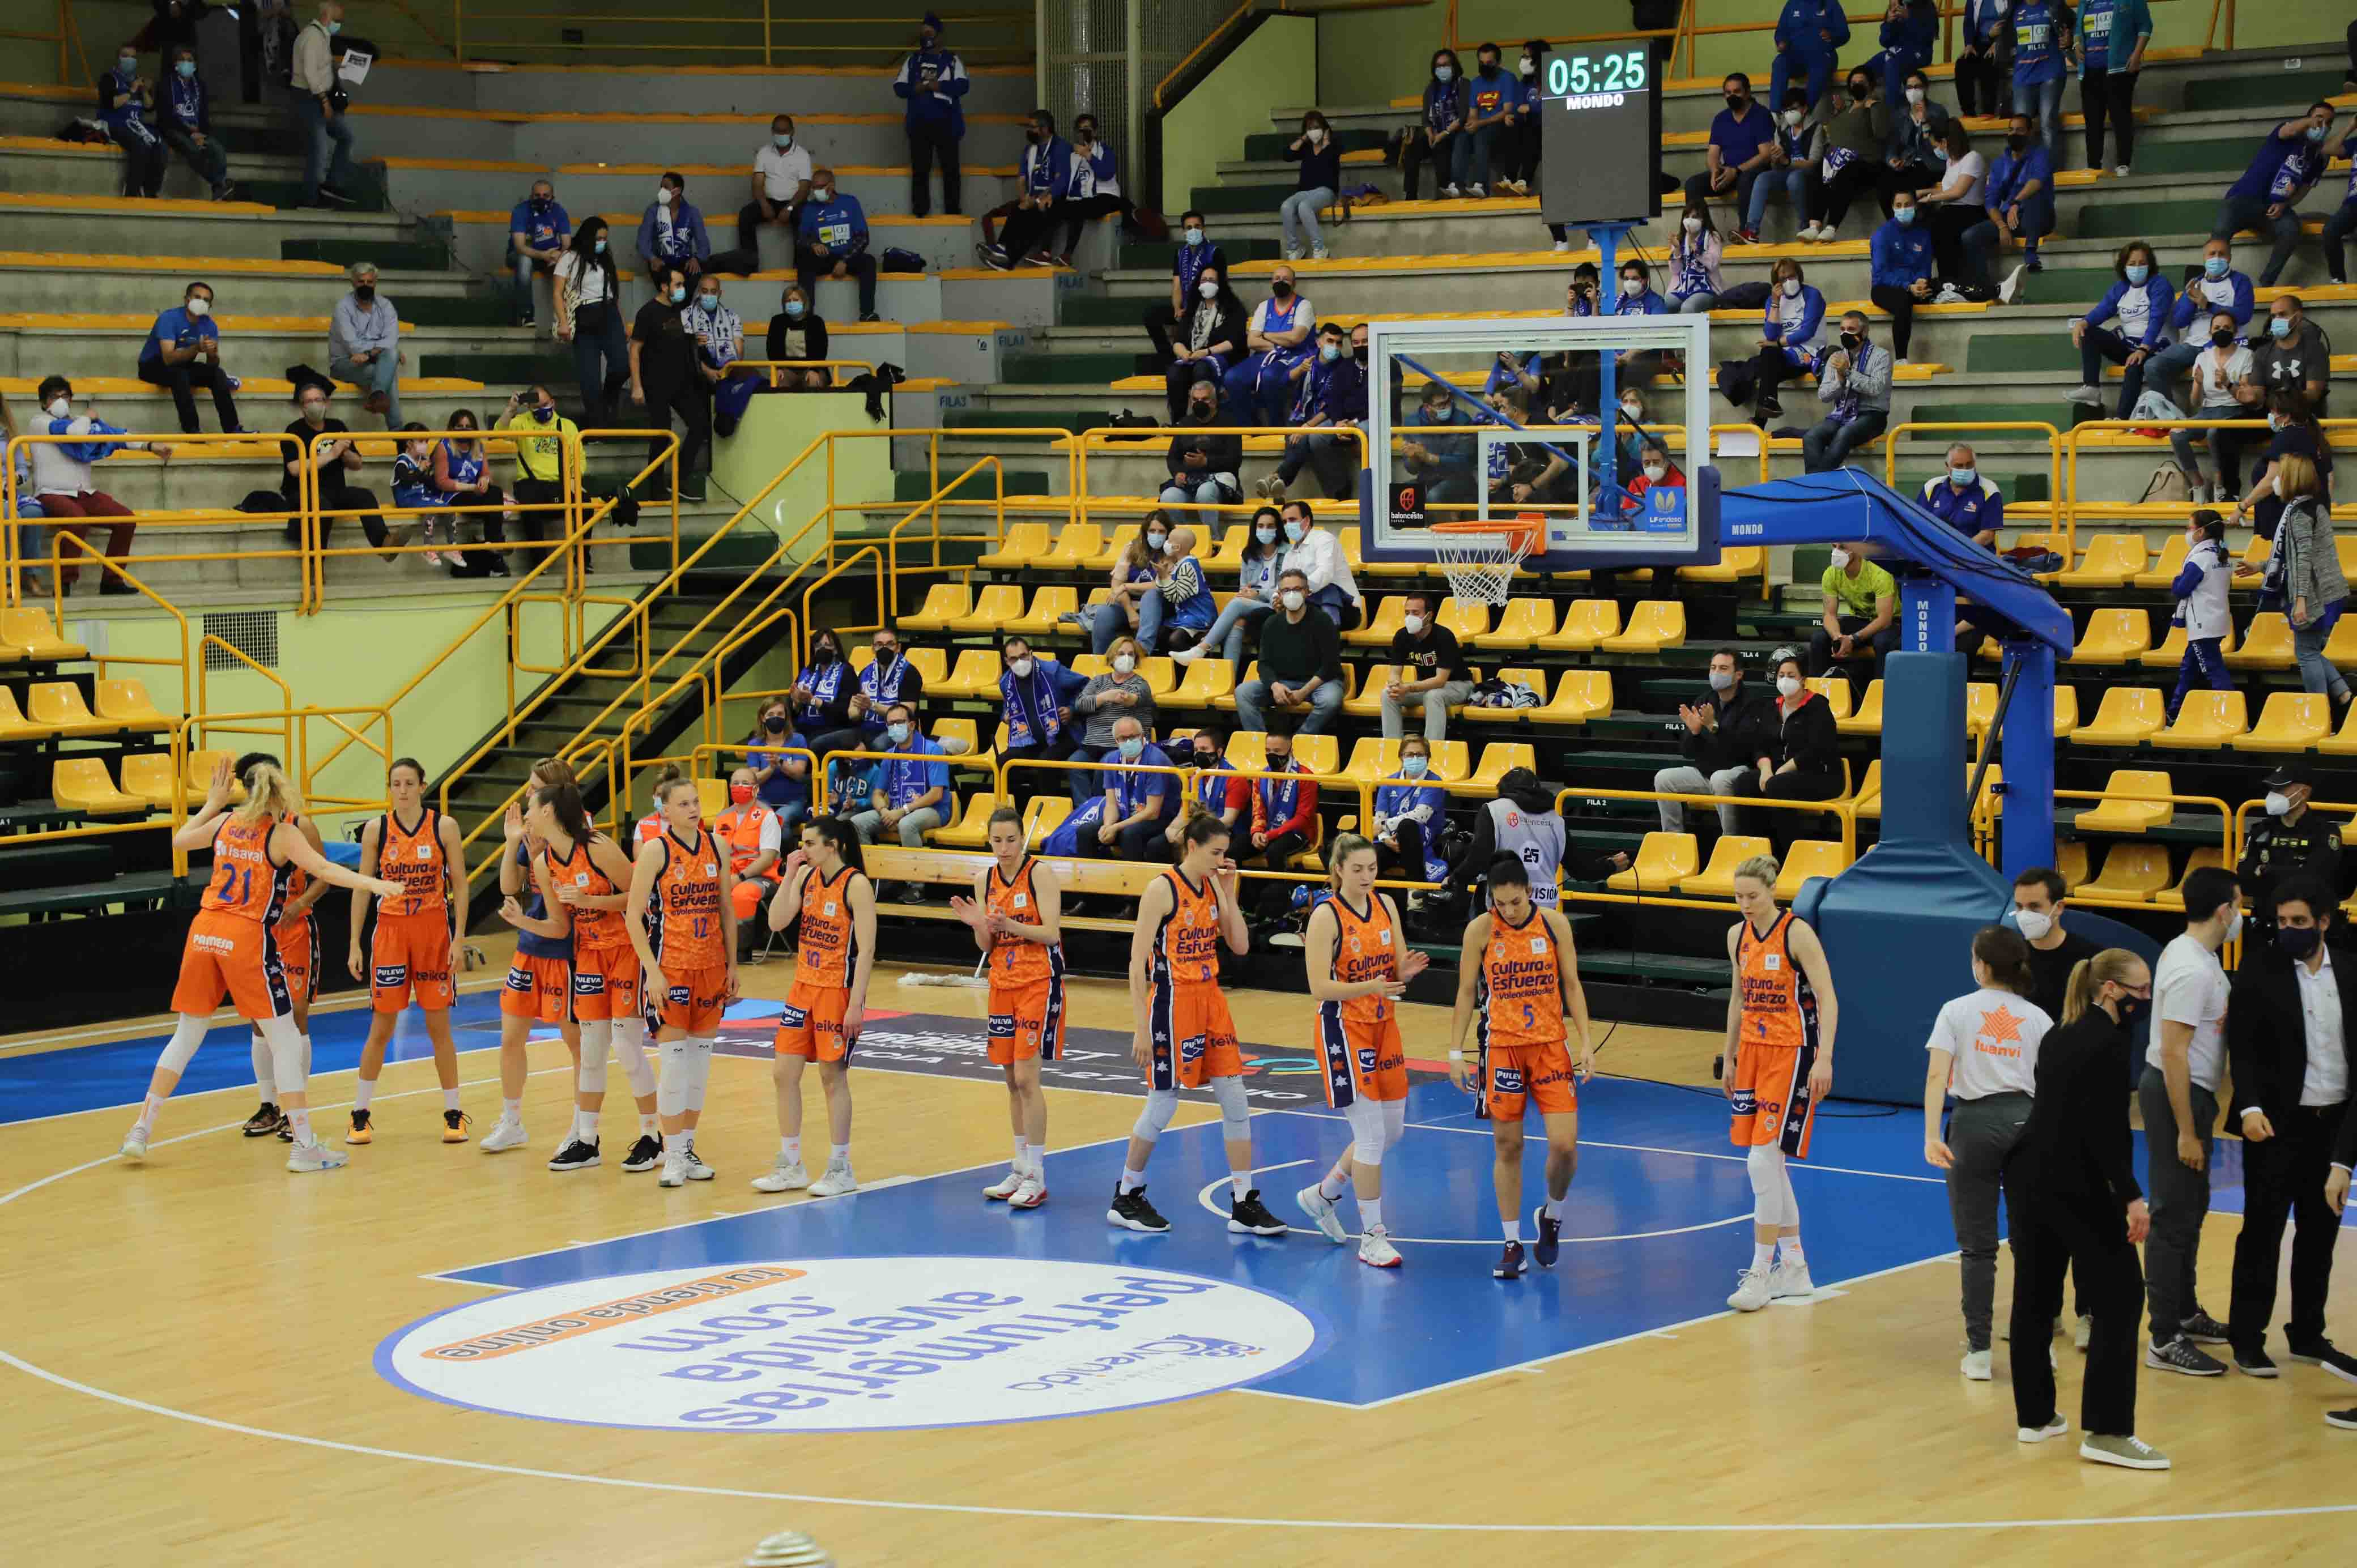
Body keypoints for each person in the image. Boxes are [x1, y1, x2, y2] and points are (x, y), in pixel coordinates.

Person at [117, 757, 403, 1172]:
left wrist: (212, 804)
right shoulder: (282, 833)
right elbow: (324, 870)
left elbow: (180, 841)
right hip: (245, 935)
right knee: (285, 1039)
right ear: (279, 792)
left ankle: (141, 1130)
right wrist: (375, 884)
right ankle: (304, 1145)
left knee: (187, 1035)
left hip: (203, 932)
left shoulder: (226, 822)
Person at [2006, 947, 2168, 1469]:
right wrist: (2131, 1195)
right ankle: (2108, 1430)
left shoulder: (2059, 1034)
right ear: (2111, 990)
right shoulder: (2108, 1042)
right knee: (2121, 1299)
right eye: (2140, 989)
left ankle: (2036, 1417)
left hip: (2030, 1177)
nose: (2145, 998)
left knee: (2035, 1294)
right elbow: (2105, 1130)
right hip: (2077, 1184)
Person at [1111, 813, 1274, 1235]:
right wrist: (1140, 1027)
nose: (1221, 860)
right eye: (1215, 853)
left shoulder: (1214, 887)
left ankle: (1243, 1201)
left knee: (1236, 1100)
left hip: (1211, 998)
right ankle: (1127, 1195)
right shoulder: (1161, 889)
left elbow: (1239, 945)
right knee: (1163, 1102)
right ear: (1192, 847)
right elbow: (1134, 964)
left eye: (1226, 853)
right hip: (1171, 1001)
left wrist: (1229, 891)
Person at [2222, 880, 2357, 1379]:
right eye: (2282, 922)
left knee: (2321, 1232)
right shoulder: (2262, 969)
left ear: (2324, 922)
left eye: (2299, 922)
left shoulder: (2350, 970)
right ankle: (2246, 1337)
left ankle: (2307, 1332)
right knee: (2262, 1230)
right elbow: (2245, 1045)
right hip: (2276, 1124)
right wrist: (2250, 1106)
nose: (2288, 931)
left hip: (2333, 1121)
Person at [1446, 851, 1591, 1279]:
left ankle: (1553, 1215)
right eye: (1500, 902)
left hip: (1550, 1046)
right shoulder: (1480, 931)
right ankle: (1512, 1244)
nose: (1508, 910)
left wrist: (1587, 1042)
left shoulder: (1553, 924)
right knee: (1508, 1147)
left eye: (1515, 901)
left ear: (1529, 892)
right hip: (1502, 1049)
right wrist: (1455, 1052)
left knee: (1565, 1147)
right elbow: (1465, 993)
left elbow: (1572, 985)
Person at [1925, 924, 2054, 1379]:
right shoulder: (2038, 1018)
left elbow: (1937, 1077)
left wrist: (1930, 1135)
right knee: (2032, 1244)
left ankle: (1979, 1352)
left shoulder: (1955, 1011)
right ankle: (2038, 1344)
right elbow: (2053, 1086)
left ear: (1980, 964)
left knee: (1978, 1248)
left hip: (1974, 1124)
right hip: (2029, 1123)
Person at [1299, 835, 1428, 1268]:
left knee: (1392, 1133)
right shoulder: (1325, 916)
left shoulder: (1387, 905)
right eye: (1357, 870)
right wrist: (1372, 985)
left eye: (1372, 868)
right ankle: (1372, 1236)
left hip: (1382, 1022)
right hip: (1342, 1027)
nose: (1367, 877)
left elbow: (1392, 970)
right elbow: (1319, 986)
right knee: (1371, 1137)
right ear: (1338, 870)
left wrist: (1402, 972)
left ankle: (1323, 1196)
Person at [520, 778, 660, 1173]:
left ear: (548, 812)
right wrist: (523, 922)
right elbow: (560, 927)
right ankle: (586, 1140)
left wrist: (592, 901)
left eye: (532, 808)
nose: (527, 814)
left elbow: (641, 897)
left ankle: (653, 1137)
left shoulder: (596, 847)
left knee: (626, 1045)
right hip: (589, 956)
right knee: (593, 1047)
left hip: (626, 949)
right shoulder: (544, 863)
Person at [1722, 854, 1837, 1311]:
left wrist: (1824, 1057)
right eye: (1739, 897)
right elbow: (1737, 998)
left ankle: (1758, 1270)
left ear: (1773, 891)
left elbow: (1828, 998)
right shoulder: (1737, 936)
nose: (1745, 904)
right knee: (1770, 1165)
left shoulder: (1797, 933)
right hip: (1751, 1051)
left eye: (1753, 896)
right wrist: (1728, 1055)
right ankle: (1794, 1268)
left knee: (1761, 1161)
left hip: (1793, 1055)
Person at [2141, 864, 2240, 1376]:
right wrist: (2186, 1130)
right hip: (2178, 1096)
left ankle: (2184, 1310)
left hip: (2194, 1096)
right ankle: (2164, 1337)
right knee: (2172, 1216)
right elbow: (2175, 1053)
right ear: (2224, 910)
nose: (2240, 915)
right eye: (2239, 906)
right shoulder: (2190, 969)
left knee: (2192, 1208)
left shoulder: (2198, 958)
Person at [626, 773, 742, 1188]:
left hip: (711, 969)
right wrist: (652, 972)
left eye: (696, 801)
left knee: (699, 1068)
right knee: (674, 1067)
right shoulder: (656, 851)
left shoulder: (718, 846)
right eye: (684, 803)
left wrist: (732, 964)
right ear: (665, 809)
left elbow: (726, 908)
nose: (694, 809)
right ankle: (671, 1153)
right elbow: (633, 915)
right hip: (670, 968)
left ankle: (687, 1147)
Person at [346, 757, 469, 1144]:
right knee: (381, 1027)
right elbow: (362, 886)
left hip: (433, 931)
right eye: (396, 783)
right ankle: (360, 1114)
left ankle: (454, 1113)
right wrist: (353, 942)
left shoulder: (444, 826)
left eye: (409, 783)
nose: (402, 790)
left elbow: (461, 885)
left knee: (439, 1028)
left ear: (422, 785)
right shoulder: (375, 829)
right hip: (391, 934)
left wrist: (459, 938)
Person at [752, 816, 874, 1197]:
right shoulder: (805, 877)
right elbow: (775, 922)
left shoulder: (856, 884)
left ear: (832, 846)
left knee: (831, 1078)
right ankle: (791, 1163)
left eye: (808, 843)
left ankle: (841, 1167)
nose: (801, 849)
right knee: (783, 1074)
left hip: (835, 991)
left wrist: (856, 1005)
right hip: (802, 988)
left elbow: (867, 949)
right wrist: (789, 874)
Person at [951, 808, 1064, 1209]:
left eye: (1011, 840)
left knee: (1027, 1079)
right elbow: (988, 947)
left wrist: (1009, 924)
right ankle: (1020, 1167)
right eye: (997, 841)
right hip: (1002, 984)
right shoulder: (984, 879)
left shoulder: (1040, 875)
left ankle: (1037, 1174)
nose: (1004, 848)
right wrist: (979, 926)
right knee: (1010, 1081)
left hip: (1037, 982)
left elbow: (1051, 933)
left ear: (1022, 839)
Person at [486, 791, 584, 1157]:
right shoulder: (532, 835)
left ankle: (581, 1128)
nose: (525, 799)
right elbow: (509, 887)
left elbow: (563, 919)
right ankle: (512, 1122)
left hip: (565, 952)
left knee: (577, 1045)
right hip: (529, 947)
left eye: (532, 791)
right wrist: (513, 845)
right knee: (511, 1037)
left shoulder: (578, 835)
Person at [27, 377, 165, 595]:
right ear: (44, 403)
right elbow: (75, 433)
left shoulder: (80, 423)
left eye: (65, 396)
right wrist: (89, 416)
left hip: (83, 492)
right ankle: (64, 583)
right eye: (54, 397)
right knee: (78, 520)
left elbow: (115, 435)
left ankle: (112, 581)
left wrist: (148, 445)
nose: (61, 401)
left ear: (71, 399)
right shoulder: (39, 422)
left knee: (126, 520)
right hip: (51, 493)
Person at [2214, 103, 2338, 289]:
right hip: (2243, 198)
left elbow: (2304, 189)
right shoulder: (2287, 134)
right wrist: (2309, 122)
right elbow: (2290, 129)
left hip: (2273, 209)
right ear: (2308, 118)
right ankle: (2214, 280)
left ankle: (2266, 283)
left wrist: (2285, 204)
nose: (2322, 125)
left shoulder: (2320, 158)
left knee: (2291, 229)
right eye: (2319, 118)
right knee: (2220, 231)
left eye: (2328, 123)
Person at [1733, 652, 1844, 858]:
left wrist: (1783, 770)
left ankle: (1791, 855)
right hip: (1778, 774)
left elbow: (1817, 748)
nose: (1785, 680)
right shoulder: (1772, 707)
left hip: (1821, 776)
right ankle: (1757, 854)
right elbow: (1759, 745)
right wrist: (1766, 770)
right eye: (1781, 675)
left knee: (1778, 785)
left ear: (1803, 680)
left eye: (1791, 675)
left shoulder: (1818, 706)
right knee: (1744, 783)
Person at [1655, 648, 1769, 837]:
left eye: (1723, 668)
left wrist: (1715, 728)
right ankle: (1673, 839)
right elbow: (1687, 752)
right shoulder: (1704, 700)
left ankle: (1730, 840)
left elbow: (1743, 750)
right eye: (1713, 668)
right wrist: (1695, 732)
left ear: (1738, 674)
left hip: (1737, 772)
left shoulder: (1753, 704)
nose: (1716, 673)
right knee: (1664, 779)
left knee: (1719, 778)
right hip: (1706, 773)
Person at [2272, 453, 2351, 714]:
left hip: (2314, 593)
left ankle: (2317, 712)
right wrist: (2260, 566)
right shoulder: (2314, 506)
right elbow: (2296, 556)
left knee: (2306, 653)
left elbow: (2304, 559)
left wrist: (2301, 599)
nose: (2277, 480)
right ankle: (2341, 691)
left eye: (2281, 475)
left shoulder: (2300, 513)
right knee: (2310, 649)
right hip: (2328, 591)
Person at [2239, 765, 2343, 945]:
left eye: (2280, 789)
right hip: (2266, 926)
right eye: (2272, 789)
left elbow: (2317, 879)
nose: (2273, 795)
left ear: (2303, 793)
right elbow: (2244, 879)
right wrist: (2295, 871)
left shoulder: (2325, 832)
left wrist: (2266, 871)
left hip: (2309, 928)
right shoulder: (2260, 830)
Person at [631, 265, 709, 504]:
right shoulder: (648, 313)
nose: (682, 289)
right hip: (656, 383)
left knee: (700, 425)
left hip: (682, 382)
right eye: (677, 285)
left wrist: (696, 339)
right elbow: (635, 349)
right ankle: (655, 488)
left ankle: (680, 479)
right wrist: (637, 385)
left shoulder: (682, 310)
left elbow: (682, 338)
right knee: (662, 434)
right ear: (664, 287)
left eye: (683, 285)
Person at [2068, 240, 2173, 418]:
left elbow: (2157, 319)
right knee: (2090, 333)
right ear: (2124, 267)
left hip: (2155, 347)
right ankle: (2092, 388)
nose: (2137, 268)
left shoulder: (2160, 285)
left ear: (2151, 265)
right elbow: (2104, 309)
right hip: (2130, 347)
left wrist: (2143, 348)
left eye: (2142, 263)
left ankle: (2122, 418)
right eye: (2132, 264)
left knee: (2133, 366)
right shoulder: (2122, 287)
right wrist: (2083, 323)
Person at [1263, 322, 1365, 501]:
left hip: (1321, 418)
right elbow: (1281, 383)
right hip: (1299, 415)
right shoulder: (1307, 360)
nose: (1334, 347)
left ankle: (1278, 480)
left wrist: (1308, 426)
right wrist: (1299, 370)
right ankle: (1278, 484)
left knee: (1304, 440)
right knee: (1297, 440)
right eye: (1330, 341)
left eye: (1339, 343)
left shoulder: (1343, 367)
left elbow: (1332, 405)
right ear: (1319, 342)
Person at [1237, 568, 1343, 734]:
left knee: (1331, 700)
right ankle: (1261, 744)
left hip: (1319, 684)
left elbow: (1331, 666)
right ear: (1279, 594)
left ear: (1307, 592)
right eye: (1286, 590)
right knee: (1243, 692)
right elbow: (1263, 664)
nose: (1292, 594)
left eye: (1298, 589)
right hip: (1283, 683)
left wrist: (1304, 692)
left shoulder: (1323, 621)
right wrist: (1275, 685)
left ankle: (1297, 741)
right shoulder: (1272, 623)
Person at [1175, 504, 1283, 668]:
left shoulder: (1288, 553)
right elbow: (1243, 589)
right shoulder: (1249, 555)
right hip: (1254, 605)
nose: (1265, 530)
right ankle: (1228, 680)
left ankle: (1201, 648)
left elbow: (1285, 589)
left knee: (1237, 603)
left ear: (1278, 529)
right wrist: (1247, 593)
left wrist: (1258, 593)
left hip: (1276, 605)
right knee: (1236, 622)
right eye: (1261, 526)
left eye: (1270, 526)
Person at [2167, 310, 2256, 504]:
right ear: (2210, 332)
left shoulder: (2246, 356)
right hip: (2207, 411)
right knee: (2177, 433)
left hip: (2234, 409)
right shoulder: (2202, 358)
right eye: (2217, 328)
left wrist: (2227, 383)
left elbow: (2246, 397)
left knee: (2215, 433)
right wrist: (2198, 383)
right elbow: (2195, 403)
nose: (2221, 331)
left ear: (2235, 332)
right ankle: (2197, 482)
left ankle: (2220, 483)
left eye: (2226, 328)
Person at [1964, 113, 2055, 299]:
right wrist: (2001, 226)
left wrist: (2016, 202)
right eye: (2011, 130)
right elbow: (1991, 201)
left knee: (2034, 200)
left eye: (2020, 130)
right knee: (1970, 236)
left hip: (2039, 216)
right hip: (2009, 220)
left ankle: (2031, 254)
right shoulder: (1999, 164)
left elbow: (2036, 182)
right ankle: (1985, 289)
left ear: (2030, 133)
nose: (2015, 134)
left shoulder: (2041, 155)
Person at [137, 280, 241, 436]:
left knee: (218, 374)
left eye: (206, 300)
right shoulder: (169, 318)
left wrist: (212, 354)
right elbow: (168, 359)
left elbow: (212, 364)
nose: (202, 302)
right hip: (152, 366)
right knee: (179, 374)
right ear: (187, 300)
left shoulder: (210, 325)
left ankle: (233, 429)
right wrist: (196, 348)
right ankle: (192, 430)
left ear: (210, 306)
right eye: (197, 297)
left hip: (182, 365)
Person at [848, 704, 951, 859]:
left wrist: (903, 812)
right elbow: (877, 794)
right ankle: (871, 873)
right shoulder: (890, 755)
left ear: (912, 725)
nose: (895, 727)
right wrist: (885, 813)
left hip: (934, 810)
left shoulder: (932, 750)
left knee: (907, 824)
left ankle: (915, 882)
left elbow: (936, 794)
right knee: (857, 822)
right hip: (895, 810)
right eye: (890, 724)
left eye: (899, 723)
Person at [997, 634, 1088, 809]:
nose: (1020, 661)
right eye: (1014, 659)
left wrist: (1072, 709)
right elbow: (1007, 707)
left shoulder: (1052, 671)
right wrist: (1005, 716)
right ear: (1007, 661)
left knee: (1045, 762)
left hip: (1064, 735)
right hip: (1031, 738)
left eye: (1024, 656)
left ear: (1031, 654)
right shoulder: (1006, 682)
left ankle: (1049, 813)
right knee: (1004, 762)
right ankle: (1012, 812)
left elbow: (1087, 686)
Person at [1237, 730, 1318, 922]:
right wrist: (1257, 831)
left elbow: (1303, 818)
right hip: (1267, 831)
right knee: (1236, 848)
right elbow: (1258, 809)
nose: (1271, 756)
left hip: (1299, 832)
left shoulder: (1306, 777)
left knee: (1275, 852)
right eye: (1268, 750)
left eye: (1277, 751)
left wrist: (1270, 835)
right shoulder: (1261, 776)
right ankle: (1242, 904)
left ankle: (1279, 908)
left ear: (1290, 750)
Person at [1684, 74, 1777, 237]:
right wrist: (1714, 170)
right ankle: (1707, 234)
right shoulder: (1721, 119)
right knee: (1693, 184)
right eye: (1728, 93)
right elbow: (1713, 153)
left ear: (1748, 92)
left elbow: (1765, 155)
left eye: (1737, 91)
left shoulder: (1761, 115)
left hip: (1755, 171)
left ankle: (1747, 233)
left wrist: (1737, 170)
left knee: (1745, 180)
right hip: (1729, 172)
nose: (1732, 96)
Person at [894, 11, 967, 219]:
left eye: (930, 33)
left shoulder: (952, 60)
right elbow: (899, 87)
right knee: (920, 171)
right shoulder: (913, 61)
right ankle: (920, 213)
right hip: (919, 125)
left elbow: (963, 86)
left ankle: (953, 213)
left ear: (939, 36)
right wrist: (915, 89)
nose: (926, 37)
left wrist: (939, 86)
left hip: (948, 125)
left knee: (951, 171)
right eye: (923, 33)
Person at [555, 219, 628, 424]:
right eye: (598, 238)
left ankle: (609, 398)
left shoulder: (606, 259)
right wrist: (563, 323)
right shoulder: (569, 258)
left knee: (622, 365)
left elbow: (614, 295)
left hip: (610, 313)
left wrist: (622, 323)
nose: (602, 242)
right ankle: (598, 426)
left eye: (605, 238)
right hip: (584, 315)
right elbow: (557, 292)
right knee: (590, 380)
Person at [1223, 267, 1315, 428]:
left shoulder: (1304, 305)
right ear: (1272, 282)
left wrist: (1266, 334)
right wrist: (1282, 342)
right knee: (1232, 377)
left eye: (1285, 279)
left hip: (1296, 355)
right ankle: (1248, 426)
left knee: (1270, 376)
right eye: (1277, 278)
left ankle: (1276, 427)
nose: (1280, 282)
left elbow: (1296, 338)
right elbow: (1252, 341)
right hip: (1265, 355)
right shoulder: (1264, 306)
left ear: (1294, 283)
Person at [2164, 509, 2234, 719]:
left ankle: (2233, 714)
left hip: (2203, 624)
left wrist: (2176, 580)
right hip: (2217, 621)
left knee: (2214, 671)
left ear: (2201, 532)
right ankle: (2174, 712)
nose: (2188, 532)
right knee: (2189, 668)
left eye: (2190, 528)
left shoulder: (2200, 559)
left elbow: (2181, 589)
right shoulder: (2221, 556)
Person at [1083, 714, 1177, 869]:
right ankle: (1091, 887)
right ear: (1116, 741)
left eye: (1133, 737)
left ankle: (1132, 891)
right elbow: (1112, 804)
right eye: (1122, 738)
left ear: (1142, 737)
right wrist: (1108, 826)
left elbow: (1153, 812)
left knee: (1130, 834)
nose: (1128, 742)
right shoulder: (1111, 760)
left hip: (1160, 818)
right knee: (1086, 832)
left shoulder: (1156, 761)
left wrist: (1117, 828)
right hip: (1126, 815)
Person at [1069, 638, 1159, 800]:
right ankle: (1084, 809)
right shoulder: (1098, 681)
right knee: (1074, 764)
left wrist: (1124, 697)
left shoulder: (1140, 683)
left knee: (1104, 768)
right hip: (1093, 743)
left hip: (1120, 745)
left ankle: (1101, 807)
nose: (1127, 658)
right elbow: (1080, 704)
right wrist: (1104, 697)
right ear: (1111, 658)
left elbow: (1134, 698)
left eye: (1131, 654)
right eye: (1121, 654)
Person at [1801, 310, 1891, 472]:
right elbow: (1824, 395)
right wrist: (1840, 382)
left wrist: (1849, 373)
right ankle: (1817, 485)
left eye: (1851, 330)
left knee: (1845, 433)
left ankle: (1817, 485)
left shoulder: (1881, 356)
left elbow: (1876, 388)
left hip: (1872, 416)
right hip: (1841, 415)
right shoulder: (1836, 357)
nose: (1845, 334)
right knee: (1811, 436)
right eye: (1842, 329)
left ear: (1864, 332)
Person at [496, 385, 577, 564]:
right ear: (529, 407)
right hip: (531, 484)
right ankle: (539, 562)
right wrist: (510, 409)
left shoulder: (567, 426)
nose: (542, 410)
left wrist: (573, 479)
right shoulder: (520, 422)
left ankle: (583, 560)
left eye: (545, 405)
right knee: (529, 506)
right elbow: (497, 434)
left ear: (553, 403)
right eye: (536, 407)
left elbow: (580, 459)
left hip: (561, 482)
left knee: (585, 504)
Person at [2012, 866, 2104, 1023]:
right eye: (2020, 907)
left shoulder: (2092, 959)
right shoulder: (2009, 955)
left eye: (2034, 907)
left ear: (2059, 908)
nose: (2025, 915)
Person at [1382, 589, 1474, 744]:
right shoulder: (1402, 636)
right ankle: (1393, 748)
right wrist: (1395, 684)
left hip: (1458, 686)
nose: (1410, 617)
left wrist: (1409, 688)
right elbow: (1395, 672)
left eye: (1416, 613)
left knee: (1433, 696)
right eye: (1407, 613)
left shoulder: (1444, 636)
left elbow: (1440, 681)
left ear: (1429, 616)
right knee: (1388, 694)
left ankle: (1431, 750)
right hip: (1425, 687)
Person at [1740, 257, 1825, 424]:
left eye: (1792, 277)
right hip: (1784, 357)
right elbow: (1771, 334)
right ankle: (1769, 403)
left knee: (1766, 360)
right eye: (1783, 279)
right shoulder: (1772, 301)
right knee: (1767, 357)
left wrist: (1778, 344)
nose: (1788, 281)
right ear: (1776, 283)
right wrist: (1775, 303)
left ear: (1799, 276)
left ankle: (1760, 419)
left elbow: (1807, 332)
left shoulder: (1812, 295)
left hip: (1810, 352)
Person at [1811, 67, 1891, 245]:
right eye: (1854, 83)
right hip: (1842, 161)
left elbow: (1881, 133)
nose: (1857, 85)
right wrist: (1837, 112)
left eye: (1861, 82)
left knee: (1847, 172)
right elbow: (1826, 124)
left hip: (1868, 165)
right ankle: (1814, 225)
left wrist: (1873, 108)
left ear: (1871, 85)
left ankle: (1831, 227)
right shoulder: (1844, 110)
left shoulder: (1877, 106)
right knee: (1820, 168)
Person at [985, 109, 1073, 270]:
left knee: (1036, 218)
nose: (1029, 131)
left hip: (1056, 198)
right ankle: (1001, 249)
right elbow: (1021, 179)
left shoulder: (1061, 147)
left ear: (1045, 129)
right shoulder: (1029, 150)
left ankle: (1008, 261)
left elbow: (1062, 180)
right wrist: (1024, 198)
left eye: (1032, 127)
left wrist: (1040, 199)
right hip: (1033, 198)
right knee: (1019, 210)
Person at [712, 767, 784, 960]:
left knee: (741, 895)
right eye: (735, 783)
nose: (739, 787)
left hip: (761, 876)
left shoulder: (767, 816)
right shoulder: (722, 817)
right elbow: (716, 854)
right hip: (729, 874)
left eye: (745, 783)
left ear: (756, 789)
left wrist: (740, 878)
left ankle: (739, 950)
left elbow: (768, 858)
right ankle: (710, 946)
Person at [290, 1, 357, 209]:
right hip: (311, 100)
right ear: (328, 16)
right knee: (319, 150)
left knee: (346, 137)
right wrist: (325, 101)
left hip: (319, 98)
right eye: (339, 19)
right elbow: (310, 74)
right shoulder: (312, 37)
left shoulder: (322, 37)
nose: (340, 23)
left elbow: (319, 68)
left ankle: (331, 185)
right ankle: (310, 200)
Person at [1160, 266, 1247, 427]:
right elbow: (1178, 340)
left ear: (1220, 283)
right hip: (1193, 357)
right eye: (1204, 280)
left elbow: (1234, 342)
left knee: (1201, 369)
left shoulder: (1233, 308)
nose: (1208, 283)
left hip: (1221, 357)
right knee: (1174, 372)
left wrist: (1206, 352)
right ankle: (1179, 423)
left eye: (1212, 280)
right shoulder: (1193, 308)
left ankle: (1206, 420)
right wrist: (1184, 353)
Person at [795, 168, 881, 324]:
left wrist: (845, 260)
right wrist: (813, 244)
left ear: (832, 186)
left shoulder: (850, 202)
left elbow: (863, 237)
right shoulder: (809, 208)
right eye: (814, 187)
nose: (816, 191)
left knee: (869, 262)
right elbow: (801, 238)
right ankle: (807, 316)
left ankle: (867, 313)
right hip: (824, 257)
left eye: (820, 187)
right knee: (804, 262)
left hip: (848, 256)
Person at [1808, 544, 1898, 689]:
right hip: (1857, 619)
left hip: (1889, 623)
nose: (1837, 551)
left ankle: (1880, 695)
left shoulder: (1879, 573)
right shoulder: (1830, 574)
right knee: (1819, 639)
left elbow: (1885, 620)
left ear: (1855, 549)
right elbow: (1829, 615)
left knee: (1883, 643)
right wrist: (1838, 637)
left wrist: (1853, 639)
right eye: (1834, 546)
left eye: (1842, 547)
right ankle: (1817, 695)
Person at [2078, 0, 2151, 176]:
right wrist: (2076, 43)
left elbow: (2145, 26)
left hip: (2119, 69)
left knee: (2120, 116)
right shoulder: (2085, 2)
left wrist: (2136, 55)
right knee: (2093, 119)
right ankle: (2094, 165)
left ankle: (2123, 163)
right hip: (2090, 70)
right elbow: (2078, 30)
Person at [1146, 214, 1230, 368]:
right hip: (1185, 307)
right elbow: (1177, 285)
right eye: (1189, 228)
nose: (1193, 231)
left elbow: (1220, 287)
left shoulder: (1214, 253)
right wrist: (1178, 308)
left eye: (1197, 227)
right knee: (1151, 315)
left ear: (1204, 229)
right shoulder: (1180, 254)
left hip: (1206, 308)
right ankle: (1169, 359)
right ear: (1183, 232)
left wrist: (1192, 309)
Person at [1371, 735, 1446, 898]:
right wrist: (1385, 839)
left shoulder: (1434, 782)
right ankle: (1373, 900)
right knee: (1372, 857)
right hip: (1392, 840)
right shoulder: (1388, 782)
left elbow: (1420, 816)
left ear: (1428, 758)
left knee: (1408, 826)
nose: (1415, 758)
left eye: (1420, 755)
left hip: (1422, 836)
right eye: (1410, 755)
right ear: (1401, 757)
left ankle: (1417, 895)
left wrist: (1383, 826)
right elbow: (1379, 818)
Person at [1915, 119, 1985, 292]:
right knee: (1927, 223)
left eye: (1936, 145)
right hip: (1952, 209)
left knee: (1941, 225)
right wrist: (1923, 192)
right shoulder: (1950, 162)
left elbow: (1958, 191)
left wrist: (1931, 198)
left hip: (1971, 211)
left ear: (1945, 142)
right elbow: (1946, 187)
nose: (1936, 150)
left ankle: (1950, 280)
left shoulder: (1973, 158)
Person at [329, 262, 401, 427]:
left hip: (372, 360)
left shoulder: (386, 306)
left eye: (370, 282)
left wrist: (370, 354)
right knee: (388, 371)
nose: (366, 286)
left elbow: (390, 340)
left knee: (391, 354)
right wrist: (380, 350)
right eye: (361, 282)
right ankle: (398, 432)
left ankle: (376, 395)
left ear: (375, 283)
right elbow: (353, 345)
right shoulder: (343, 308)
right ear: (353, 283)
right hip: (344, 364)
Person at [159, 44, 232, 199]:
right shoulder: (166, 84)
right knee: (193, 150)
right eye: (182, 60)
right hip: (174, 130)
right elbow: (166, 117)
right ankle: (218, 185)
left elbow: (204, 116)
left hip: (198, 132)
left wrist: (201, 134)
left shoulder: (200, 85)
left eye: (189, 60)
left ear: (195, 65)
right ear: (176, 65)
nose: (186, 63)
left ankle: (218, 188)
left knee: (218, 150)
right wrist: (190, 134)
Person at [738, 115, 811, 269]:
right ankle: (749, 265)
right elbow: (757, 184)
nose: (781, 134)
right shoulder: (763, 153)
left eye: (785, 131)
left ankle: (800, 268)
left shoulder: (803, 155)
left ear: (792, 131)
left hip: (795, 203)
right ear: (772, 131)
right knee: (745, 215)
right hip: (770, 201)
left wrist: (790, 207)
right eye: (778, 131)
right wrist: (764, 205)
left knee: (805, 218)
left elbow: (805, 188)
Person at [2243, 292, 2333, 417]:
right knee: (2220, 433)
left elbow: (2314, 393)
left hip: (2305, 416)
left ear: (2298, 316)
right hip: (2271, 415)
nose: (2277, 320)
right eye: (2274, 316)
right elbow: (2258, 393)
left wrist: (2286, 400)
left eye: (2283, 315)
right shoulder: (2262, 352)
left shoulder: (2315, 350)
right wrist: (2251, 397)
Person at [1868, 192, 1933, 363]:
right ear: (1893, 207)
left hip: (1914, 286)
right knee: (1904, 302)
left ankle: (1996, 291)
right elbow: (1881, 274)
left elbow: (1924, 267)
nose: (1903, 209)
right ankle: (1901, 359)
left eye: (1907, 204)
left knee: (1944, 285)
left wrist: (1921, 281)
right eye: (1899, 205)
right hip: (1885, 288)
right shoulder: (1882, 235)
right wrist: (1908, 286)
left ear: (1916, 206)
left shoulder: (1923, 234)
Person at [1277, 499, 1360, 629]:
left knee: (1327, 591)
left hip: (1345, 608)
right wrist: (1277, 598)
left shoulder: (1325, 540)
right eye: (1285, 522)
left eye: (1292, 520)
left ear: (1307, 521)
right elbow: (1282, 584)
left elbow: (1324, 574)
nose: (1288, 525)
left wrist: (1297, 591)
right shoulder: (1289, 554)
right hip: (1305, 605)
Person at [1162, 382, 1243, 516]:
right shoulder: (1184, 424)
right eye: (1195, 400)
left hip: (1220, 481)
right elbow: (1172, 457)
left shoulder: (1229, 423)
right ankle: (1182, 535)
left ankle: (1212, 536)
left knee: (1205, 492)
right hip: (1190, 481)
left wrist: (1206, 462)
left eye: (1204, 399)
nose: (1199, 403)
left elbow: (1235, 460)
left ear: (1214, 401)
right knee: (1168, 497)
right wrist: (1177, 474)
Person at [2008, 0, 2074, 165]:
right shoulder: (2013, 10)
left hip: (2050, 72)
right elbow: (2005, 39)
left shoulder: (2054, 5)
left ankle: (2048, 170)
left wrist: (2070, 38)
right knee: (2020, 126)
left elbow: (2075, 23)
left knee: (2047, 122)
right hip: (2023, 75)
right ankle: (2024, 169)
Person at [1398, 379, 1481, 509]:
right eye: (1441, 405)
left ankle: (1438, 530)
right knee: (1401, 496)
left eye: (1448, 402)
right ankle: (1412, 531)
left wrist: (1428, 458)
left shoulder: (1463, 420)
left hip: (1459, 480)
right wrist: (1413, 457)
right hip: (1426, 478)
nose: (1447, 407)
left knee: (1434, 497)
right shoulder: (1411, 423)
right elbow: (1412, 470)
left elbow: (1464, 463)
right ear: (1427, 407)